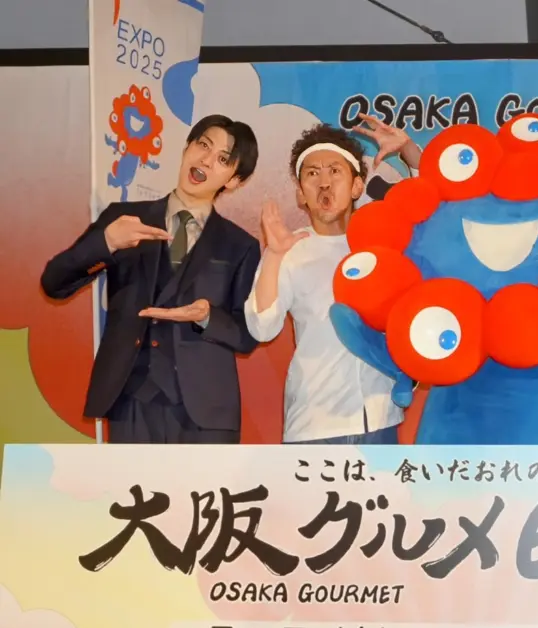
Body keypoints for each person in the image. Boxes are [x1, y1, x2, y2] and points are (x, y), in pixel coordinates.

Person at [40, 114, 260, 444]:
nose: (206, 160)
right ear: (186, 148)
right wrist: (106, 242)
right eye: (203, 145)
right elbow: (54, 283)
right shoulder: (124, 219)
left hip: (206, 411)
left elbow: (248, 333)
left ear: (234, 180)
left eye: (223, 159)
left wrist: (207, 317)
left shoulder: (240, 245)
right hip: (131, 399)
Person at [245, 115, 421, 444]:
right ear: (301, 194)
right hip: (315, 425)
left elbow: (427, 211)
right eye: (312, 174)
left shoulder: (382, 242)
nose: (324, 183)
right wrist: (274, 255)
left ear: (357, 186)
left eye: (335, 171)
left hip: (380, 420)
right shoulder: (289, 250)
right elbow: (261, 327)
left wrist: (408, 150)